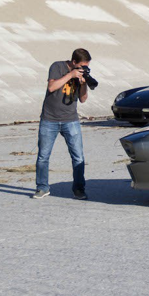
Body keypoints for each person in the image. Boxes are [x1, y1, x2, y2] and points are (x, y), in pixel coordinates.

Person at [34, 48, 92, 199]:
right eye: (81, 66)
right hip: (49, 119)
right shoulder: (57, 67)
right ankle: (42, 188)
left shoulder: (80, 73)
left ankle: (79, 189)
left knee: (78, 157)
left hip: (70, 120)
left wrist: (83, 83)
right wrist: (70, 75)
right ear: (74, 62)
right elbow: (52, 87)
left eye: (86, 66)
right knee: (43, 156)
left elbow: (83, 99)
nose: (83, 69)